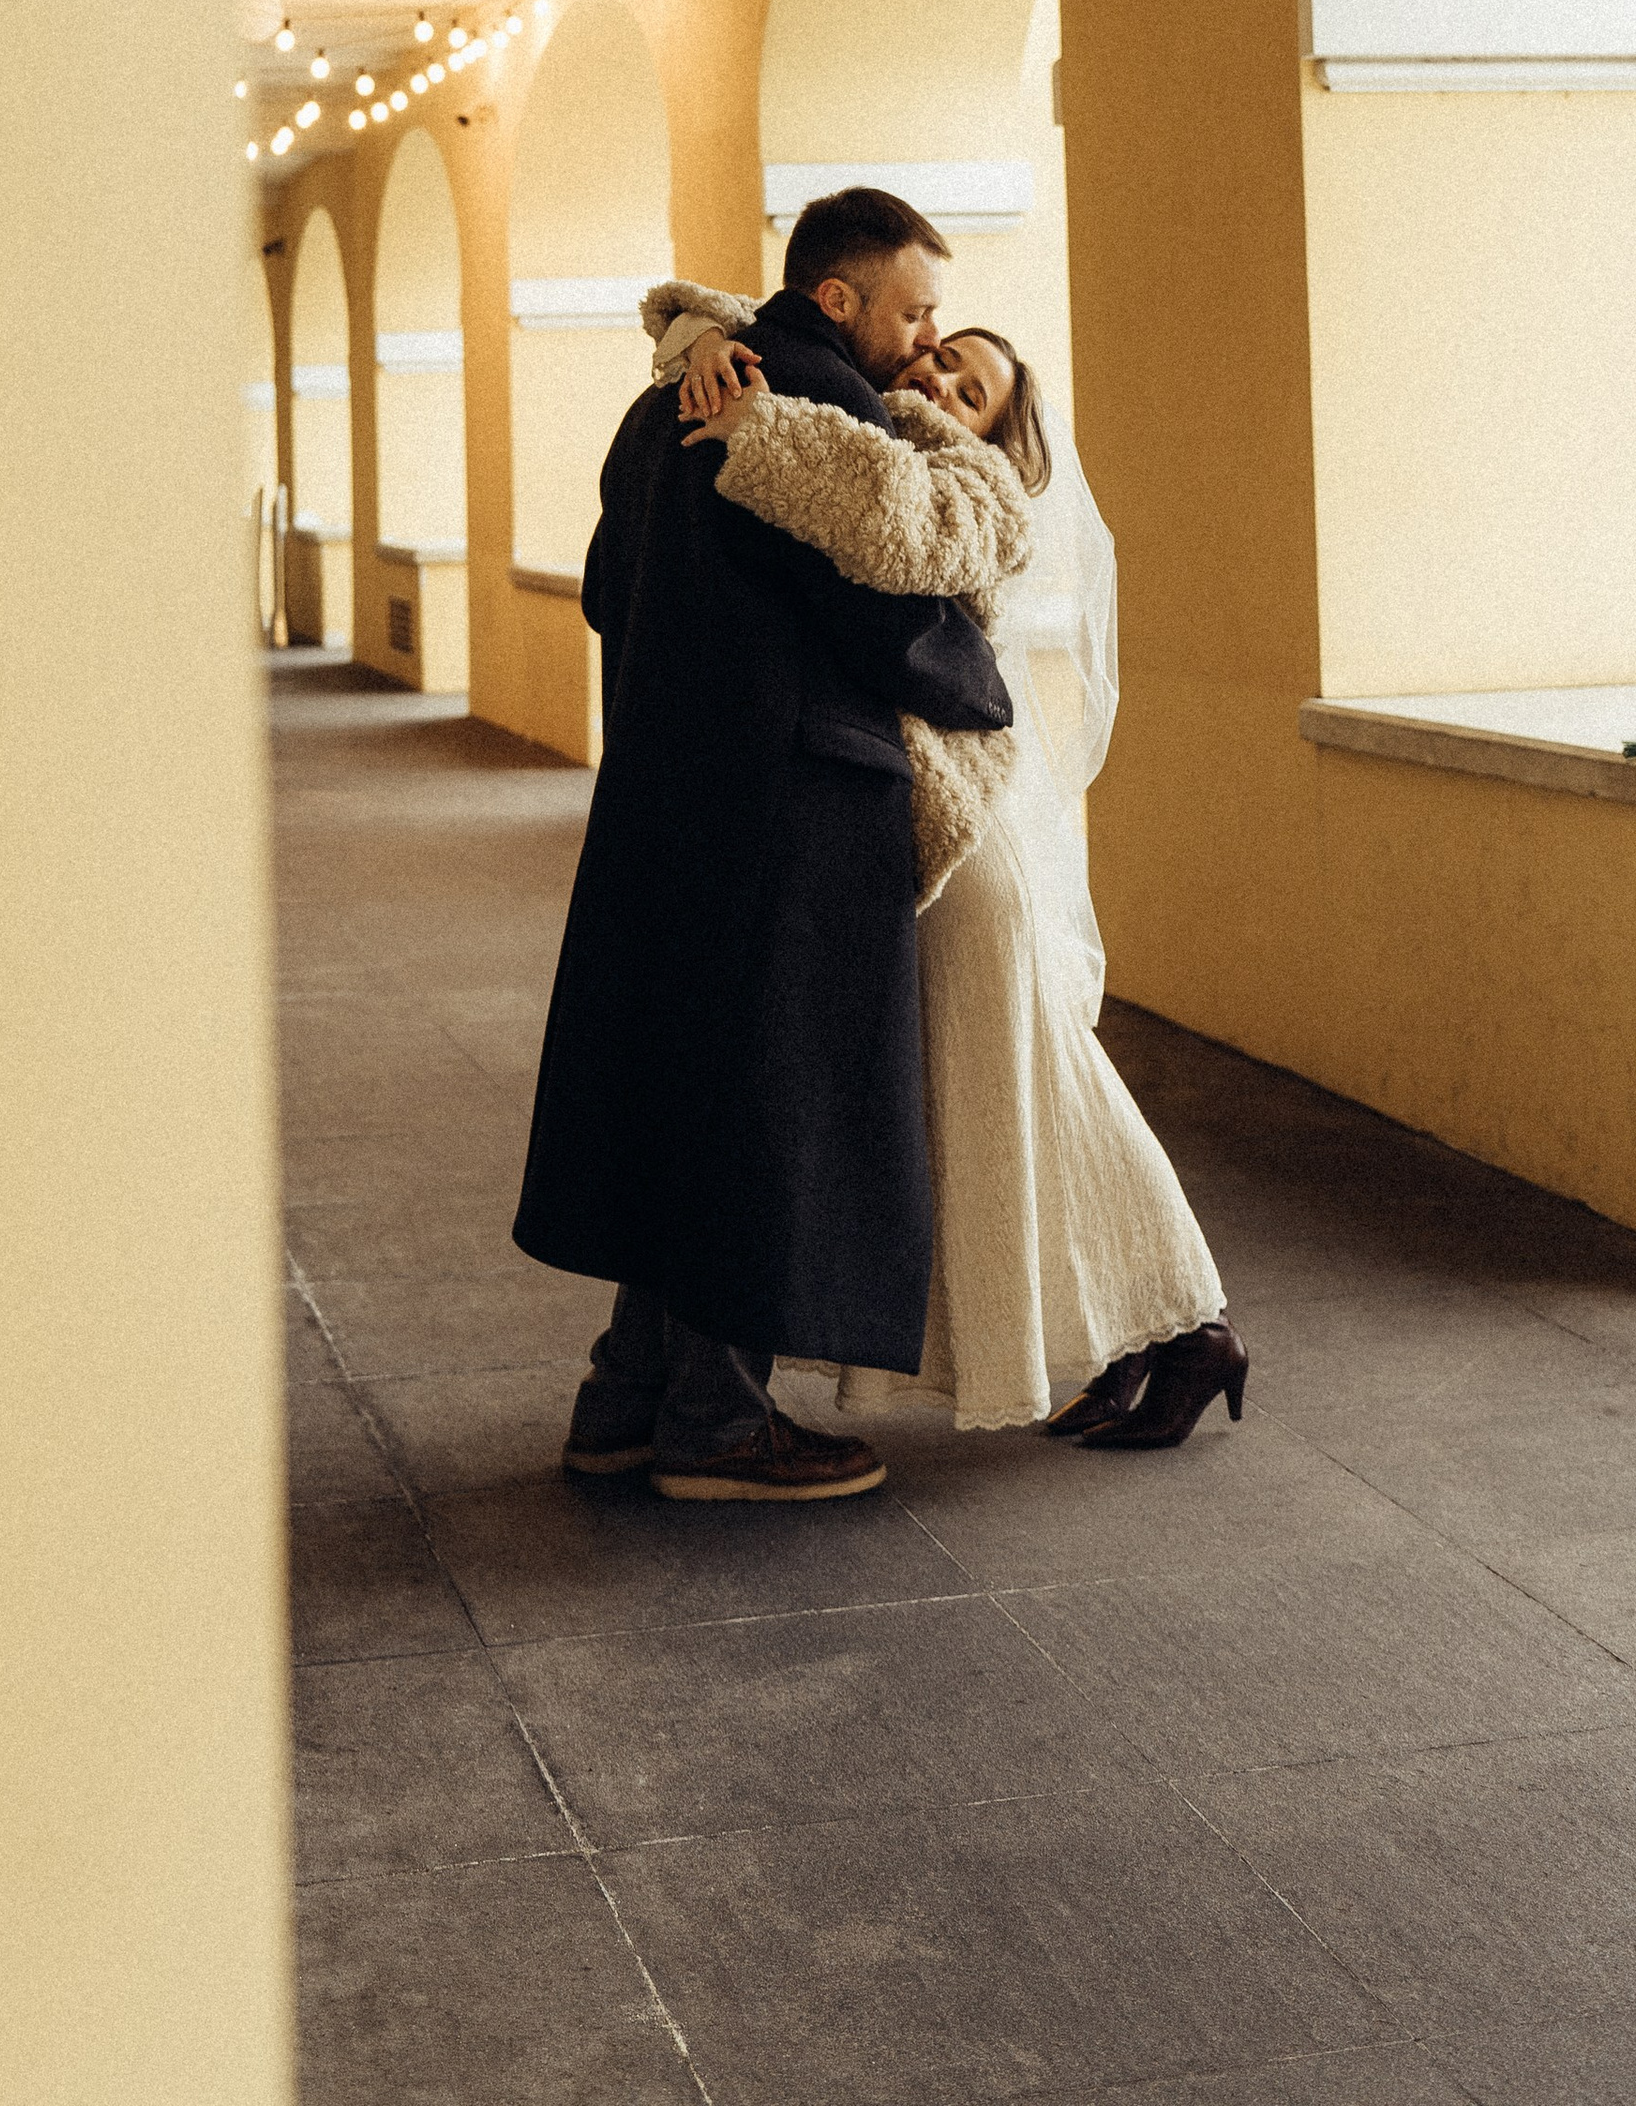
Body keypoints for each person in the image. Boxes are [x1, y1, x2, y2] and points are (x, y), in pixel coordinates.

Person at [662, 290, 1247, 1449]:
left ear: (993, 434)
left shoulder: (968, 503)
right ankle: (1155, 1338)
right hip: (925, 839)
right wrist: (695, 341)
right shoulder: (881, 434)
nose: (933, 384)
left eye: (964, 389)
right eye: (935, 359)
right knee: (1018, 1098)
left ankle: (1190, 1327)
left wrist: (760, 410)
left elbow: (888, 548)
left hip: (963, 848)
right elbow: (730, 313)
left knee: (1019, 1098)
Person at [511, 187, 1014, 1503]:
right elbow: (887, 611)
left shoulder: (664, 402)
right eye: (915, 310)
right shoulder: (815, 406)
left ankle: (627, 1398)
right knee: (767, 1111)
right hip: (798, 813)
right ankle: (720, 1428)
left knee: (684, 1094)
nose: (925, 338)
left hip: (667, 801)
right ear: (840, 298)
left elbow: (608, 589)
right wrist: (974, 691)